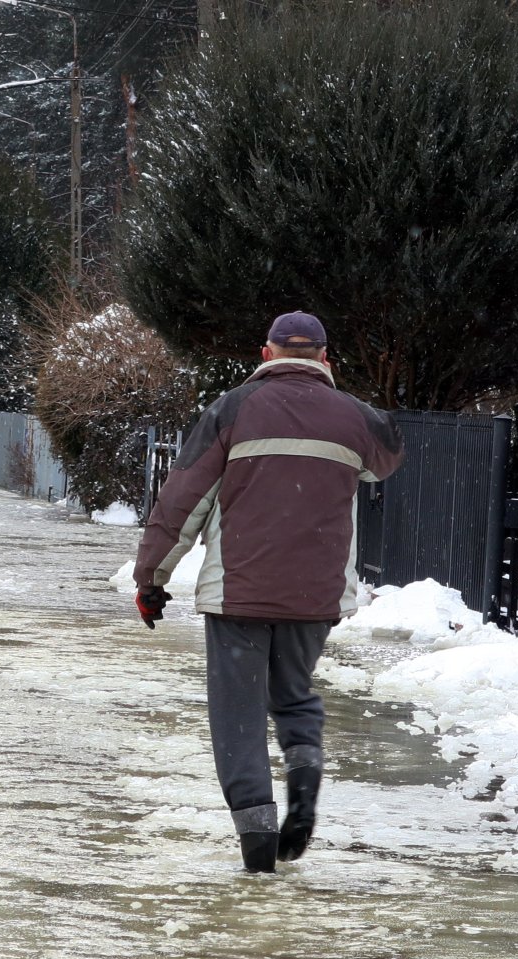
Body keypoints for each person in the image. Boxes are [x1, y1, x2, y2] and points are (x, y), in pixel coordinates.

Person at [133, 311, 405, 874]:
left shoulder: (231, 409)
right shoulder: (357, 418)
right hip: (316, 594)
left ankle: (258, 846)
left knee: (238, 714)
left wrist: (151, 578)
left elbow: (182, 501)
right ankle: (303, 784)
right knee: (294, 694)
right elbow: (387, 458)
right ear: (325, 358)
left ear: (266, 355)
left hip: (241, 591)